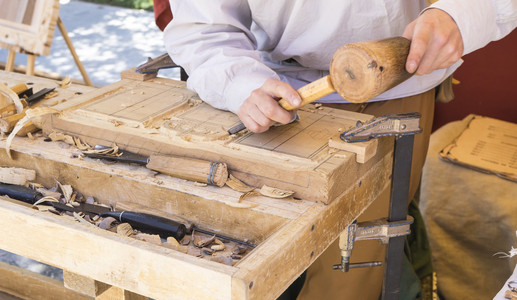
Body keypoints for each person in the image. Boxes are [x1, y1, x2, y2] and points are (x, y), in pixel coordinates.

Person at [164, 1, 517, 299]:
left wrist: (462, 14)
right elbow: (203, 26)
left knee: (349, 275)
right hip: (269, 94)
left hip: (397, 87)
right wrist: (237, 82)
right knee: (250, 261)